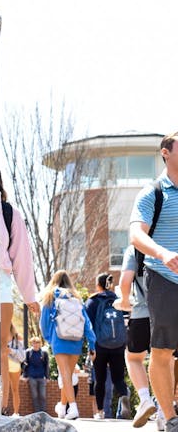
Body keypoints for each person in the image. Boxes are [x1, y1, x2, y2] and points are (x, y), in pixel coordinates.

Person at [130, 132, 178, 432]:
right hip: (163, 278)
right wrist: (163, 253)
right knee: (162, 350)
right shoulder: (153, 192)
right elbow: (136, 234)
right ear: (166, 153)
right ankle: (170, 419)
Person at [0, 185, 40, 416]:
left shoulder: (8, 212)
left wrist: (29, 296)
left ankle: (1, 407)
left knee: (0, 347)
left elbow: (21, 256)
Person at [39, 269, 96, 420]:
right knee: (68, 376)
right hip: (76, 339)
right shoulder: (76, 298)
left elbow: (44, 322)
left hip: (59, 338)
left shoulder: (50, 295)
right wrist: (92, 343)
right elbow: (87, 323)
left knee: (65, 375)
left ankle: (74, 408)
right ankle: (63, 408)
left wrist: (48, 339)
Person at [115, 245, 158, 427]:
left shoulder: (136, 249)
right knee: (165, 359)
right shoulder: (171, 242)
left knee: (133, 358)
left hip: (142, 313)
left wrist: (125, 301)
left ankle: (145, 398)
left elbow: (125, 281)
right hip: (170, 314)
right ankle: (165, 410)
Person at [86, 272, 129, 419]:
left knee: (100, 379)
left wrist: (91, 347)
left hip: (100, 345)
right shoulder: (118, 300)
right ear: (110, 284)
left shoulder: (92, 301)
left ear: (98, 285)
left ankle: (100, 411)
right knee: (118, 378)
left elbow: (88, 326)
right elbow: (126, 321)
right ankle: (124, 396)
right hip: (118, 345)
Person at [22, 336, 49, 414]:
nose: (36, 344)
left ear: (40, 344)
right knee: (34, 396)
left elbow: (47, 365)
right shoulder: (28, 353)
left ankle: (44, 412)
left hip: (41, 377)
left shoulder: (44, 353)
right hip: (31, 377)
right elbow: (25, 364)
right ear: (32, 344)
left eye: (37, 342)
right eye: (34, 343)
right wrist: (25, 375)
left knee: (43, 396)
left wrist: (47, 377)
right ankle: (37, 412)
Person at [6, 328, 26, 416]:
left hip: (14, 365)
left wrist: (11, 351)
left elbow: (22, 356)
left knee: (15, 389)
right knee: (2, 389)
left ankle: (16, 413)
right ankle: (1, 410)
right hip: (2, 365)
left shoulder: (18, 338)